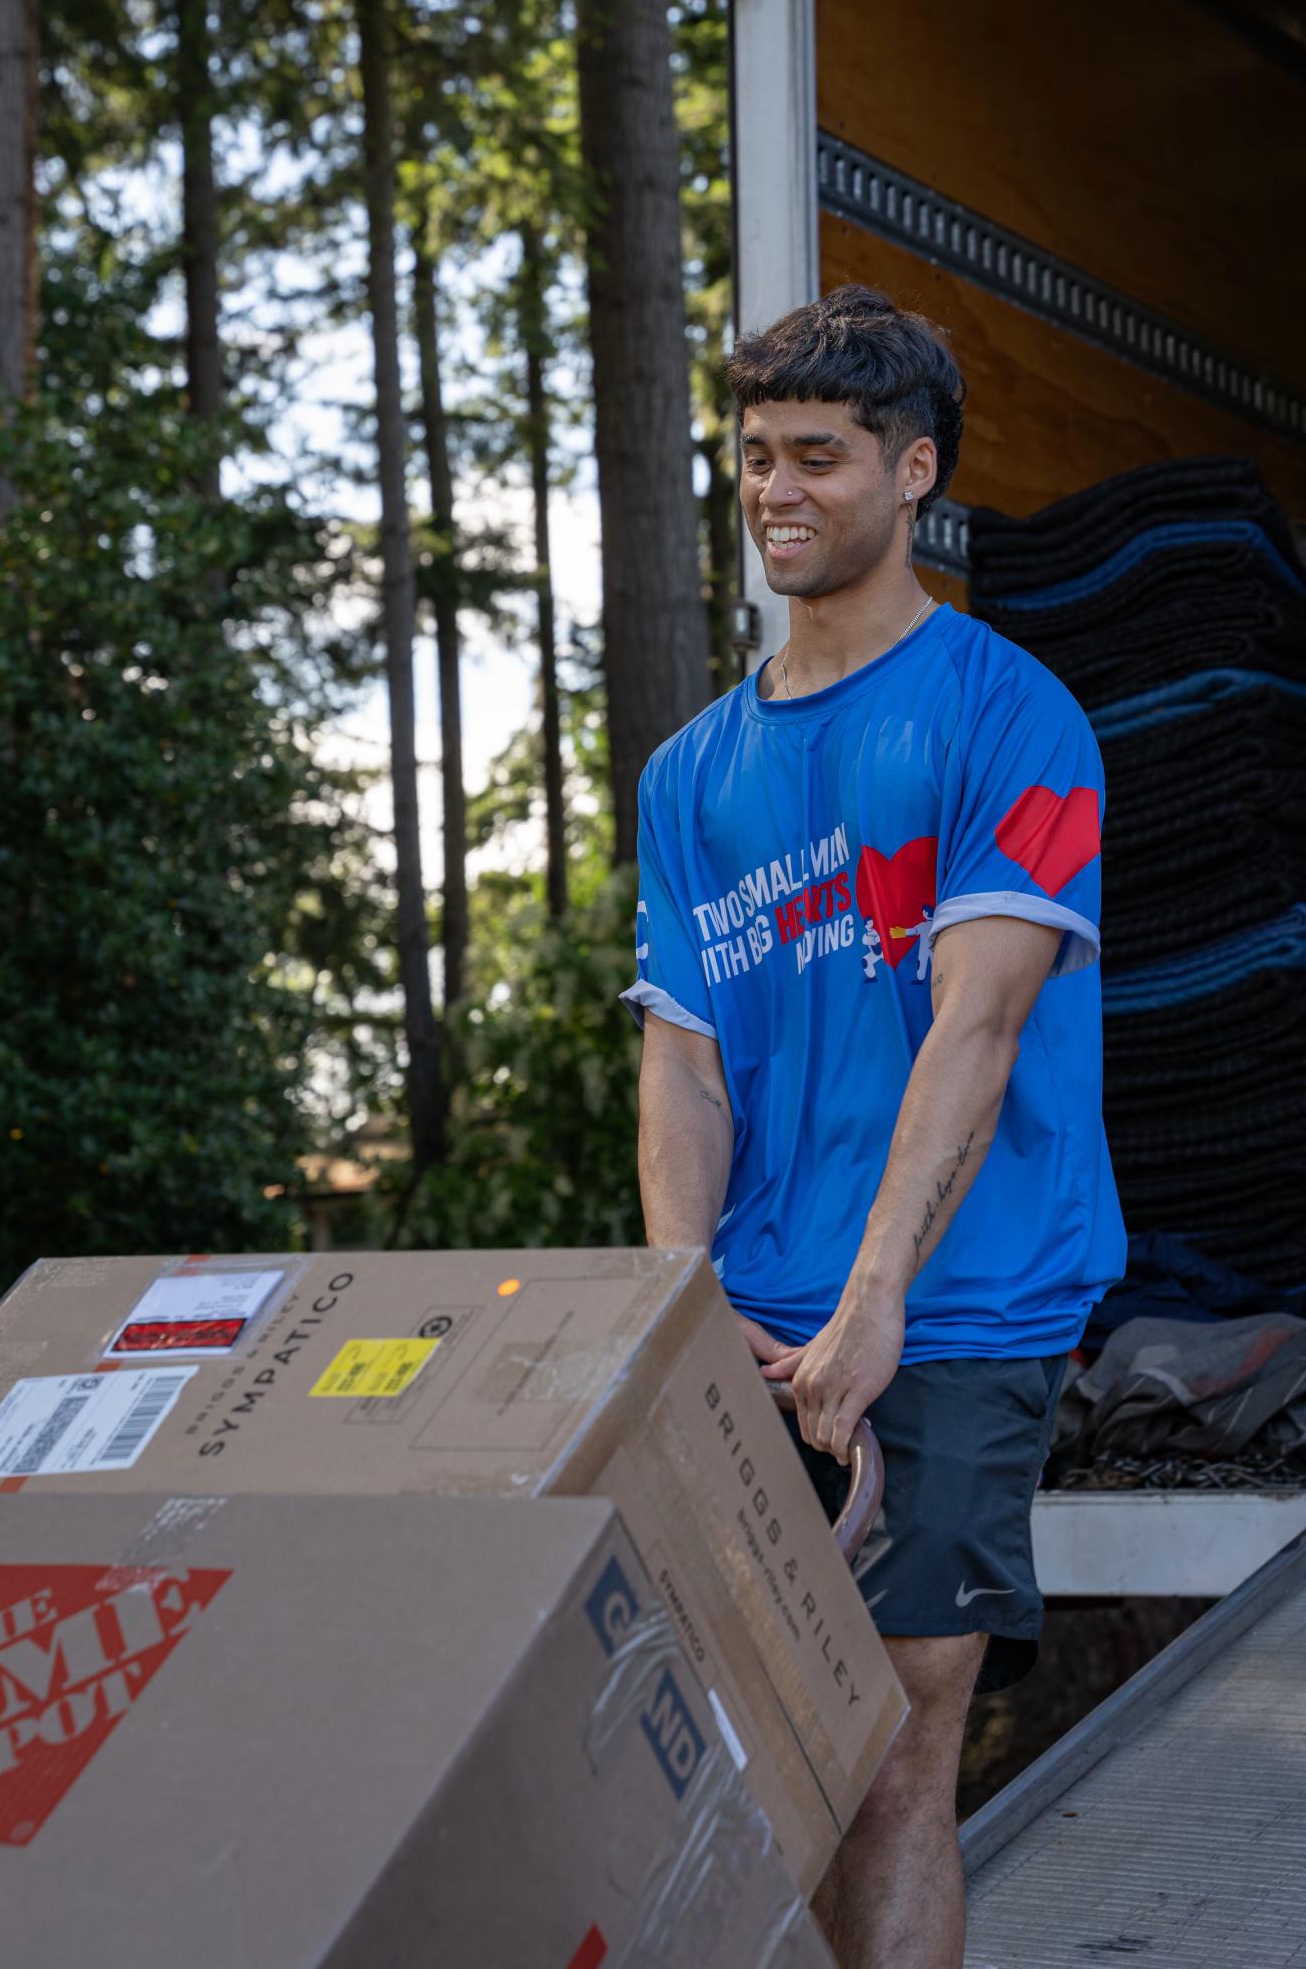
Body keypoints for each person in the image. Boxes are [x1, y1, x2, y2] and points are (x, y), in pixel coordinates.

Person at [622, 284, 1126, 1969]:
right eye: (756, 454)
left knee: (898, 1753)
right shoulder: (691, 774)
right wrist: (672, 1306)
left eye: (818, 458)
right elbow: (682, 1067)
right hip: (757, 1320)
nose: (775, 490)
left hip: (961, 1309)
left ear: (914, 475)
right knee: (757, 1756)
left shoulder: (1010, 715)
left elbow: (979, 1026)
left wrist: (879, 1295)